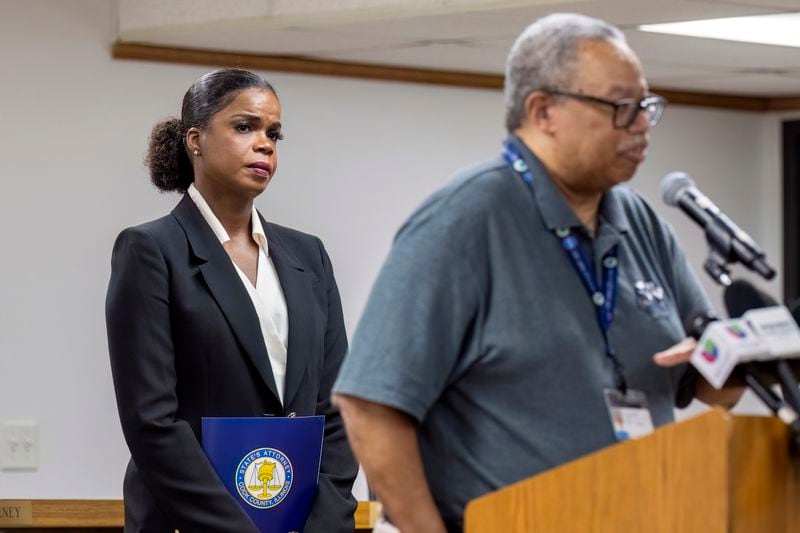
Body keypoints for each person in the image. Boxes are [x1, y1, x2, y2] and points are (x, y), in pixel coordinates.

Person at [332, 13, 743, 533]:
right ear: (543, 111)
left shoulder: (640, 223)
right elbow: (371, 405)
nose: (641, 124)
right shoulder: (466, 220)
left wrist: (746, 358)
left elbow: (709, 387)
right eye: (621, 107)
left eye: (645, 106)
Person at [106, 69, 357, 532]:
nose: (264, 144)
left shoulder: (309, 256)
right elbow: (152, 424)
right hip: (192, 523)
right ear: (195, 140)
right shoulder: (150, 251)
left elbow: (336, 409)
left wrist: (323, 522)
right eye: (245, 127)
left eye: (273, 133)